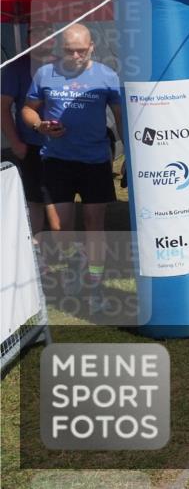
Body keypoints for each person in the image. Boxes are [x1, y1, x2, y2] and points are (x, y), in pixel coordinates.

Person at [20, 24, 122, 314]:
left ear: (91, 48)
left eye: (81, 50)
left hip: (95, 161)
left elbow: (119, 116)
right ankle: (76, 259)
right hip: (57, 159)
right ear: (59, 49)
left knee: (94, 225)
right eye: (68, 51)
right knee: (60, 227)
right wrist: (40, 125)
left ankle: (96, 287)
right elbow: (28, 109)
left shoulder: (107, 76)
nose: (75, 56)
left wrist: (130, 153)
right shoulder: (45, 74)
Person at [1, 25, 56, 236]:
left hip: (66, 146)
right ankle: (37, 251)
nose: (43, 38)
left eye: (48, 33)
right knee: (36, 200)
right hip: (32, 145)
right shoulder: (16, 68)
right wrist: (15, 142)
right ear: (28, 39)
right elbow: (3, 107)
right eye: (37, 33)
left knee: (61, 200)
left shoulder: (66, 65)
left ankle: (65, 249)